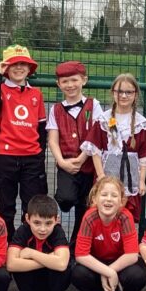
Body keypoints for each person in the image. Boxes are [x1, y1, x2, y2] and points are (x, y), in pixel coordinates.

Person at [0, 45, 48, 236]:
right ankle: (5, 242)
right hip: (4, 155)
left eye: (23, 64)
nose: (19, 68)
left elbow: (41, 128)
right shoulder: (1, 89)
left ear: (30, 68)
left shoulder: (36, 94)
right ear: (6, 68)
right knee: (4, 204)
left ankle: (27, 240)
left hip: (31, 157)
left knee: (32, 204)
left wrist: (39, 153)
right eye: (14, 64)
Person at [81, 73, 146, 222]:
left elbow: (144, 156)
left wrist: (141, 180)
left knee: (126, 217)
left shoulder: (141, 124)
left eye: (129, 92)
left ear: (135, 95)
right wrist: (101, 176)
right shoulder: (104, 120)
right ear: (113, 93)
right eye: (119, 91)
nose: (123, 96)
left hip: (130, 178)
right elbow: (95, 150)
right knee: (103, 214)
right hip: (107, 175)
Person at [71, 175, 146, 291]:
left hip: (120, 263)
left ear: (121, 201)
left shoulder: (125, 217)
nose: (108, 199)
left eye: (114, 195)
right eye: (104, 194)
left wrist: (109, 271)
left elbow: (132, 255)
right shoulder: (89, 217)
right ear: (95, 199)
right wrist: (107, 272)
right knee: (78, 273)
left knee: (137, 276)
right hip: (96, 263)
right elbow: (81, 255)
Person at [47, 60, 101, 242]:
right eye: (65, 81)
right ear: (58, 84)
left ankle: (76, 245)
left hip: (89, 164)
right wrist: (62, 162)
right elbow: (53, 139)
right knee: (66, 198)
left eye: (74, 80)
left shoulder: (94, 105)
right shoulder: (55, 109)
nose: (70, 85)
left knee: (86, 208)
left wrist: (83, 157)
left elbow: (96, 134)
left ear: (84, 80)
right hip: (66, 163)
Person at [6, 194, 72, 291]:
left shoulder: (57, 232)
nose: (42, 229)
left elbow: (62, 264)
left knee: (66, 266)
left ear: (56, 220)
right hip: (30, 282)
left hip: (54, 283)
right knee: (20, 266)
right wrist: (50, 259)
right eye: (37, 223)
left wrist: (31, 253)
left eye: (48, 223)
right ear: (27, 218)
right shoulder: (22, 231)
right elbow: (11, 264)